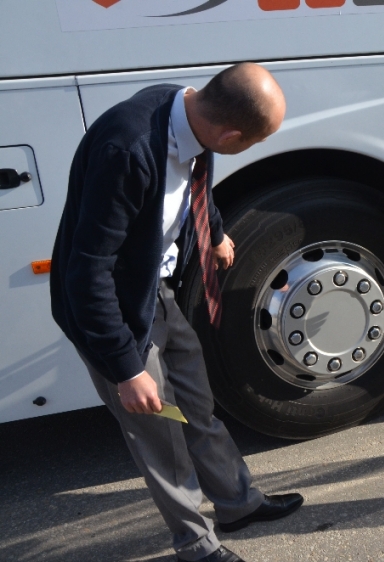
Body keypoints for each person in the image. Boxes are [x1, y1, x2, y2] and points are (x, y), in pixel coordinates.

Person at [51, 63, 302, 562]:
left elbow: (194, 182)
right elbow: (88, 274)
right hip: (115, 313)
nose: (246, 151)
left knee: (196, 405)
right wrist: (126, 368)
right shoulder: (126, 151)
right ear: (230, 133)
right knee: (159, 432)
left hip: (154, 291)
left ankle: (237, 502)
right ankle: (197, 544)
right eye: (249, 144)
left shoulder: (184, 109)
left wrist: (215, 229)